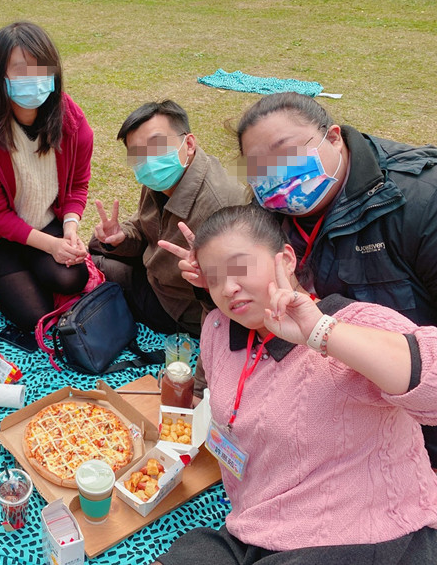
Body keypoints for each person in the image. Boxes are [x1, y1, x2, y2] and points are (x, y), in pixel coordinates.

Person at [153, 204, 437, 565]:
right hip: (255, 526)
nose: (229, 288)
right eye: (214, 277)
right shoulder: (218, 331)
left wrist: (321, 333)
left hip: (363, 534)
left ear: (286, 259)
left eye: (240, 267)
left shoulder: (353, 325)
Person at [164, 92, 437, 466]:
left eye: (286, 151)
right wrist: (217, 275)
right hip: (331, 406)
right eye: (258, 167)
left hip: (413, 395)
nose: (275, 172)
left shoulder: (421, 204)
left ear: (334, 137)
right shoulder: (271, 208)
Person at [0, 21, 92, 331]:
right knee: (34, 316)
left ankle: (30, 260)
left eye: (41, 68)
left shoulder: (71, 121)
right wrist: (51, 246)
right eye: (20, 69)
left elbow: (78, 186)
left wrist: (69, 228)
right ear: (0, 75)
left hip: (43, 220)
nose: (34, 79)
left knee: (74, 278)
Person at [89, 100, 250, 336]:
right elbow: (146, 228)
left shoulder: (219, 207)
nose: (149, 160)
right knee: (98, 242)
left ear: (190, 143)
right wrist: (121, 237)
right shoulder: (164, 178)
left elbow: (234, 296)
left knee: (95, 262)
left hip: (181, 307)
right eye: (138, 154)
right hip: (160, 273)